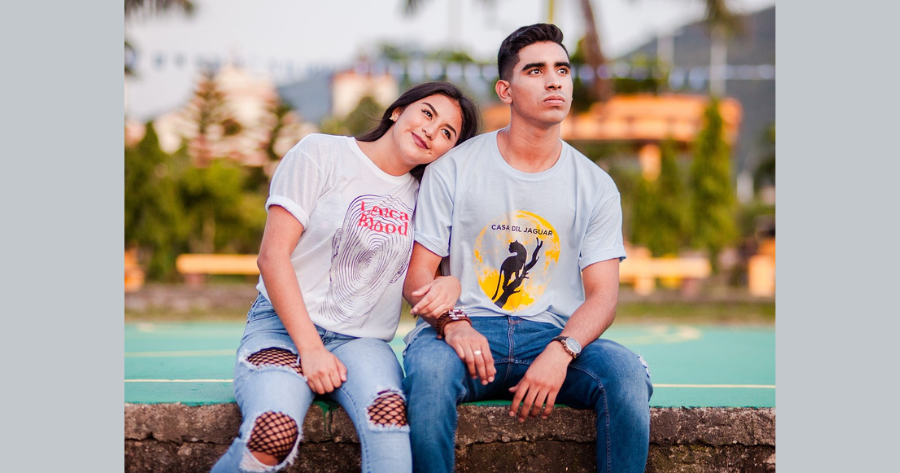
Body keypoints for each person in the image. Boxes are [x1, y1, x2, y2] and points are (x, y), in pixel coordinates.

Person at [401, 24, 653, 473]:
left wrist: (562, 351)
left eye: (562, 70)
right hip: (467, 329)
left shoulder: (595, 186)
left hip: (551, 333)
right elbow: (419, 276)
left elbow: (603, 296)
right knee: (431, 375)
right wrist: (453, 324)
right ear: (506, 91)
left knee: (625, 374)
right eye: (535, 71)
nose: (554, 81)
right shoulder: (453, 168)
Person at [211, 81, 478, 473]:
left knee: (390, 431)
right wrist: (311, 350)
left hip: (363, 342)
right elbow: (271, 257)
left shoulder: (427, 197)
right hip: (282, 329)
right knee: (273, 433)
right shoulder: (320, 153)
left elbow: (421, 280)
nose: (430, 130)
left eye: (447, 133)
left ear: (447, 151)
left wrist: (449, 283)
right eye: (427, 113)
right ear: (397, 111)